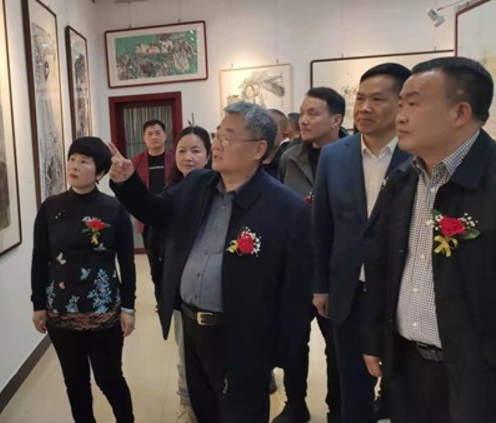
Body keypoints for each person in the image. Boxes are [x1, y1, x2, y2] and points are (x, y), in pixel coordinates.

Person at [109, 101, 312, 422]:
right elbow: (155, 212)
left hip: (243, 337)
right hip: (193, 327)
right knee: (204, 409)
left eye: (228, 137)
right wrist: (127, 182)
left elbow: (295, 293)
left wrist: (280, 353)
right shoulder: (196, 185)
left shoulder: (286, 208)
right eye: (217, 135)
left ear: (259, 149)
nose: (216, 144)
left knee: (240, 414)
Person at [364, 56, 496, 422]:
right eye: (401, 104)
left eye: (413, 103)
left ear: (460, 112)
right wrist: (376, 339)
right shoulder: (404, 179)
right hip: (407, 365)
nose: (401, 116)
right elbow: (381, 263)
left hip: (478, 374)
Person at [312, 63, 411, 423]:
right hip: (348, 290)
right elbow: (322, 225)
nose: (365, 108)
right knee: (352, 386)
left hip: (401, 293)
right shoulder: (333, 155)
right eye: (360, 98)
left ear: (402, 104)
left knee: (403, 387)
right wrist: (321, 285)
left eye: (378, 99)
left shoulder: (418, 154)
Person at [31, 137, 136, 423]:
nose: (74, 166)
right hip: (61, 311)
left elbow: (127, 262)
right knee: (75, 382)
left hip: (104, 312)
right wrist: (38, 304)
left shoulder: (113, 208)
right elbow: (40, 258)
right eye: (72, 159)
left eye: (84, 161)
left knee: (109, 378)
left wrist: (128, 307)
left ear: (99, 172)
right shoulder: (50, 208)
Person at [274, 87, 345, 423]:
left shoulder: (353, 157)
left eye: (313, 113)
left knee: (338, 347)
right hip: (298, 267)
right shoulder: (289, 158)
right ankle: (295, 403)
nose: (303, 120)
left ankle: (337, 409)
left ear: (336, 119)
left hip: (337, 268)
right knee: (293, 340)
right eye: (302, 113)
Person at [149, 126, 212, 423]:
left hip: (212, 293)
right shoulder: (169, 195)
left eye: (196, 151)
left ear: (209, 155)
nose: (189, 157)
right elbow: (155, 245)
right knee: (185, 351)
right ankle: (188, 405)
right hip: (180, 290)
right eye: (183, 151)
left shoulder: (220, 193)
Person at [131, 119, 176, 304]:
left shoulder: (175, 158)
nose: (154, 137)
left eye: (158, 133)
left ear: (165, 135)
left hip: (171, 218)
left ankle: (173, 298)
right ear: (144, 137)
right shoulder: (136, 161)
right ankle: (161, 298)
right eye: (150, 134)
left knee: (171, 259)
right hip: (148, 221)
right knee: (154, 263)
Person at [263, 109, 292, 178]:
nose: (264, 132)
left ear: (284, 135)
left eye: (271, 128)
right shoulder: (246, 162)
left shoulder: (287, 164)